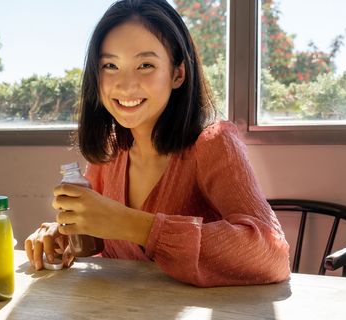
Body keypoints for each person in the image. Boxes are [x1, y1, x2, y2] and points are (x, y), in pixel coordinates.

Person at [25, 0, 290, 287]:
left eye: (145, 65)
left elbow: (272, 256)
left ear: (178, 74)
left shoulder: (214, 143)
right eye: (110, 65)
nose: (125, 85)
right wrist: (62, 234)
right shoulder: (111, 151)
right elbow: (98, 240)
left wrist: (135, 226)